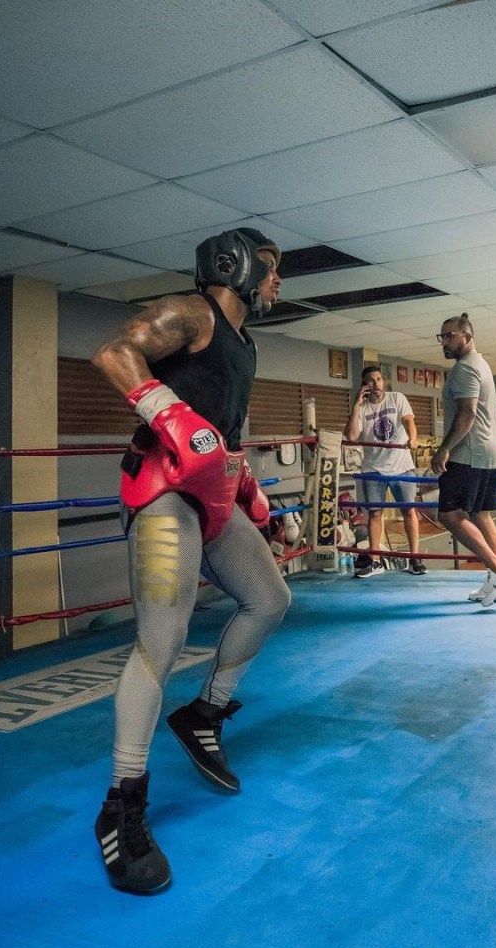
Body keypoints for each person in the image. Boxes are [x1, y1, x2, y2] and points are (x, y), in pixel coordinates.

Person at [89, 228, 292, 894]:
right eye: (271, 270)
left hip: (212, 492)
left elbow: (224, 431)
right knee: (164, 634)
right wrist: (165, 410)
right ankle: (122, 804)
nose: (276, 283)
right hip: (163, 491)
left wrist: (250, 488)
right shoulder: (192, 314)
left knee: (271, 600)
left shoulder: (245, 344)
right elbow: (116, 351)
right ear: (238, 265)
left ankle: (204, 714)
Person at [431, 312, 496, 606]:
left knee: (450, 515)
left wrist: (444, 448)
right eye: (441, 337)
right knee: (481, 514)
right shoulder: (481, 363)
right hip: (490, 451)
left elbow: (467, 414)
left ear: (466, 337)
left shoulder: (465, 369)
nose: (444, 342)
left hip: (469, 454)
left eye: (449, 336)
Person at [344, 365, 426, 577]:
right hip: (374, 468)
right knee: (375, 514)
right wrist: (356, 405)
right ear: (365, 386)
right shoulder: (362, 408)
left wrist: (413, 439)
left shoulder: (396, 398)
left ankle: (415, 558)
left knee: (409, 511)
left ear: (383, 382)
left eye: (379, 379)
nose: (376, 384)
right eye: (370, 380)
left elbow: (409, 421)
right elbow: (352, 436)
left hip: (402, 466)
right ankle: (375, 560)